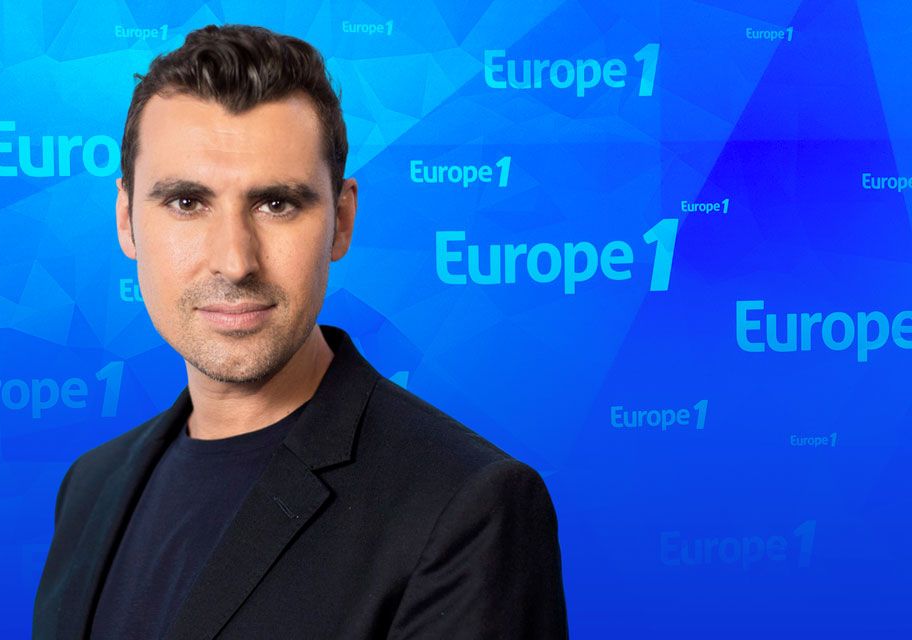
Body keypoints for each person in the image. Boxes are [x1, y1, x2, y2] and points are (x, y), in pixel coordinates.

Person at [33, 23, 567, 640]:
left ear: (342, 221)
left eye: (276, 204)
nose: (235, 261)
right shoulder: (90, 487)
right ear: (127, 221)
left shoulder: (466, 506)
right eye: (186, 203)